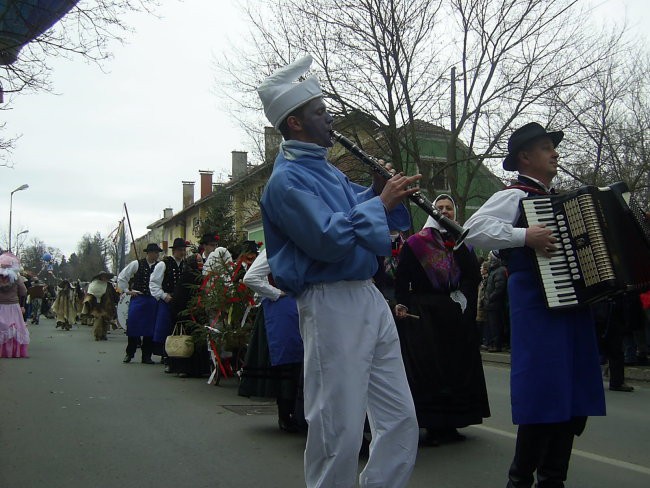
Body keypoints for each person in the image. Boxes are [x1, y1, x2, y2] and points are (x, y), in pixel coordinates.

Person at [258, 55, 421, 488]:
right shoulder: (286, 180)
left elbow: (360, 211)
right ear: (295, 123)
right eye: (320, 113)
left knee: (401, 419)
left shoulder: (326, 170)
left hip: (367, 295)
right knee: (339, 426)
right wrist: (381, 202)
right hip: (329, 300)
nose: (330, 120)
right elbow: (327, 239)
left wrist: (377, 187)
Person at [464, 122, 606, 488]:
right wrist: (524, 235)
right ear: (525, 157)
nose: (555, 152)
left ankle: (553, 480)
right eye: (546, 147)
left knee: (570, 397)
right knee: (543, 394)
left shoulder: (560, 199)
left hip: (571, 309)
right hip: (536, 309)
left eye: (552, 147)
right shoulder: (514, 196)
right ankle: (520, 481)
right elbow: (472, 230)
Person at [394, 194, 490, 446]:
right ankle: (434, 424)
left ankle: (453, 422)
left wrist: (464, 297)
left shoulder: (463, 243)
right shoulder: (417, 243)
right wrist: (402, 303)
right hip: (426, 314)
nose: (445, 212)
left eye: (449, 208)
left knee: (457, 368)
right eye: (440, 208)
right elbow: (403, 278)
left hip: (456, 313)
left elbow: (472, 276)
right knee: (431, 370)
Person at [239, 248, 305, 433]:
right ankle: (285, 415)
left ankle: (300, 414)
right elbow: (250, 278)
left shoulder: (306, 244)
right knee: (287, 362)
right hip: (281, 312)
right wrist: (276, 293)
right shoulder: (274, 249)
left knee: (302, 364)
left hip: (302, 307)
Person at [166, 253, 211, 377]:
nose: (201, 263)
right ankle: (187, 369)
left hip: (194, 314)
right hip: (187, 315)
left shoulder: (195, 276)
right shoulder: (188, 277)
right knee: (187, 341)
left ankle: (194, 369)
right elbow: (180, 298)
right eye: (199, 261)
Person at [117, 243, 162, 364]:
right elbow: (122, 277)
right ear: (149, 253)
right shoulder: (136, 264)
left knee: (150, 329)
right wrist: (127, 291)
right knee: (133, 325)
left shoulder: (160, 266)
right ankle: (129, 353)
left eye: (158, 253)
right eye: (155, 253)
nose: (157, 255)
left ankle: (146, 356)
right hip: (139, 298)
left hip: (153, 299)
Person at [150, 237, 188, 364]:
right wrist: (163, 295)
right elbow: (154, 284)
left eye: (184, 250)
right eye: (180, 250)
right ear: (174, 251)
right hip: (167, 300)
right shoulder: (163, 264)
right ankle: (164, 354)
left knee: (178, 328)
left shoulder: (185, 265)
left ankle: (177, 353)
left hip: (181, 301)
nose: (182, 253)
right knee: (165, 327)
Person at [0, 252, 29, 358]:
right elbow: (23, 292)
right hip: (13, 305)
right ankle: (12, 351)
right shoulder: (16, 277)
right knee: (14, 328)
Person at [82, 271, 120, 341]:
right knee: (99, 319)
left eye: (105, 277)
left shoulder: (109, 285)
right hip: (97, 305)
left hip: (107, 305)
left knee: (106, 320)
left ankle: (103, 334)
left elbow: (114, 294)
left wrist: (117, 300)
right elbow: (89, 294)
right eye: (103, 277)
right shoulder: (94, 284)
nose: (104, 278)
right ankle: (97, 334)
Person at [484, 251, 508, 352]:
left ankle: (497, 345)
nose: (488, 259)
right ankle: (493, 343)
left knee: (496, 325)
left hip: (495, 304)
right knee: (492, 325)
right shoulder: (493, 271)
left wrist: (490, 298)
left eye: (490, 257)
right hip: (491, 304)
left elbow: (499, 288)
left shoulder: (499, 270)